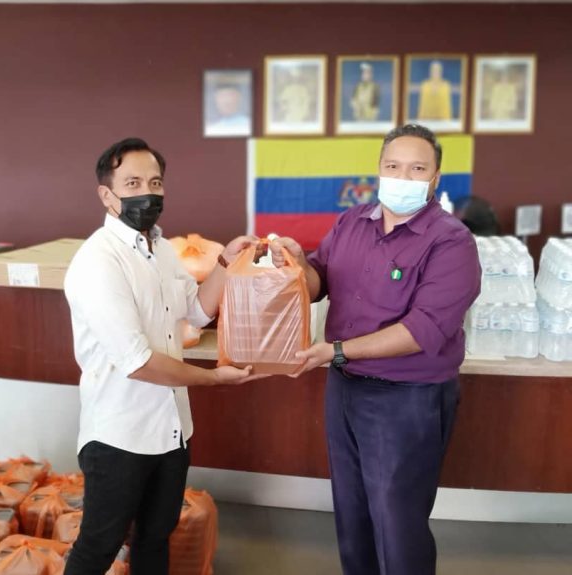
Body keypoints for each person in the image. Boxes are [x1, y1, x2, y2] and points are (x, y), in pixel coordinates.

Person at [270, 124, 481, 575]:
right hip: (345, 389)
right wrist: (296, 263)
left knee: (397, 523)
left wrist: (336, 351)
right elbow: (318, 282)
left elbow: (423, 330)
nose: (403, 177)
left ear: (435, 178)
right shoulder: (352, 222)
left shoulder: (451, 241)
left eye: (417, 169)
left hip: (406, 399)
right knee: (352, 515)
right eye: (393, 166)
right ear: (379, 170)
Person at [63, 137, 261, 575]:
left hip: (172, 431)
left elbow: (197, 310)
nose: (147, 193)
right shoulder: (99, 261)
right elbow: (137, 362)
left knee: (155, 537)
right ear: (107, 195)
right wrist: (214, 378)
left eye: (155, 182)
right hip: (119, 435)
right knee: (99, 545)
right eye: (133, 183)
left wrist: (226, 263)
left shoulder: (162, 249)